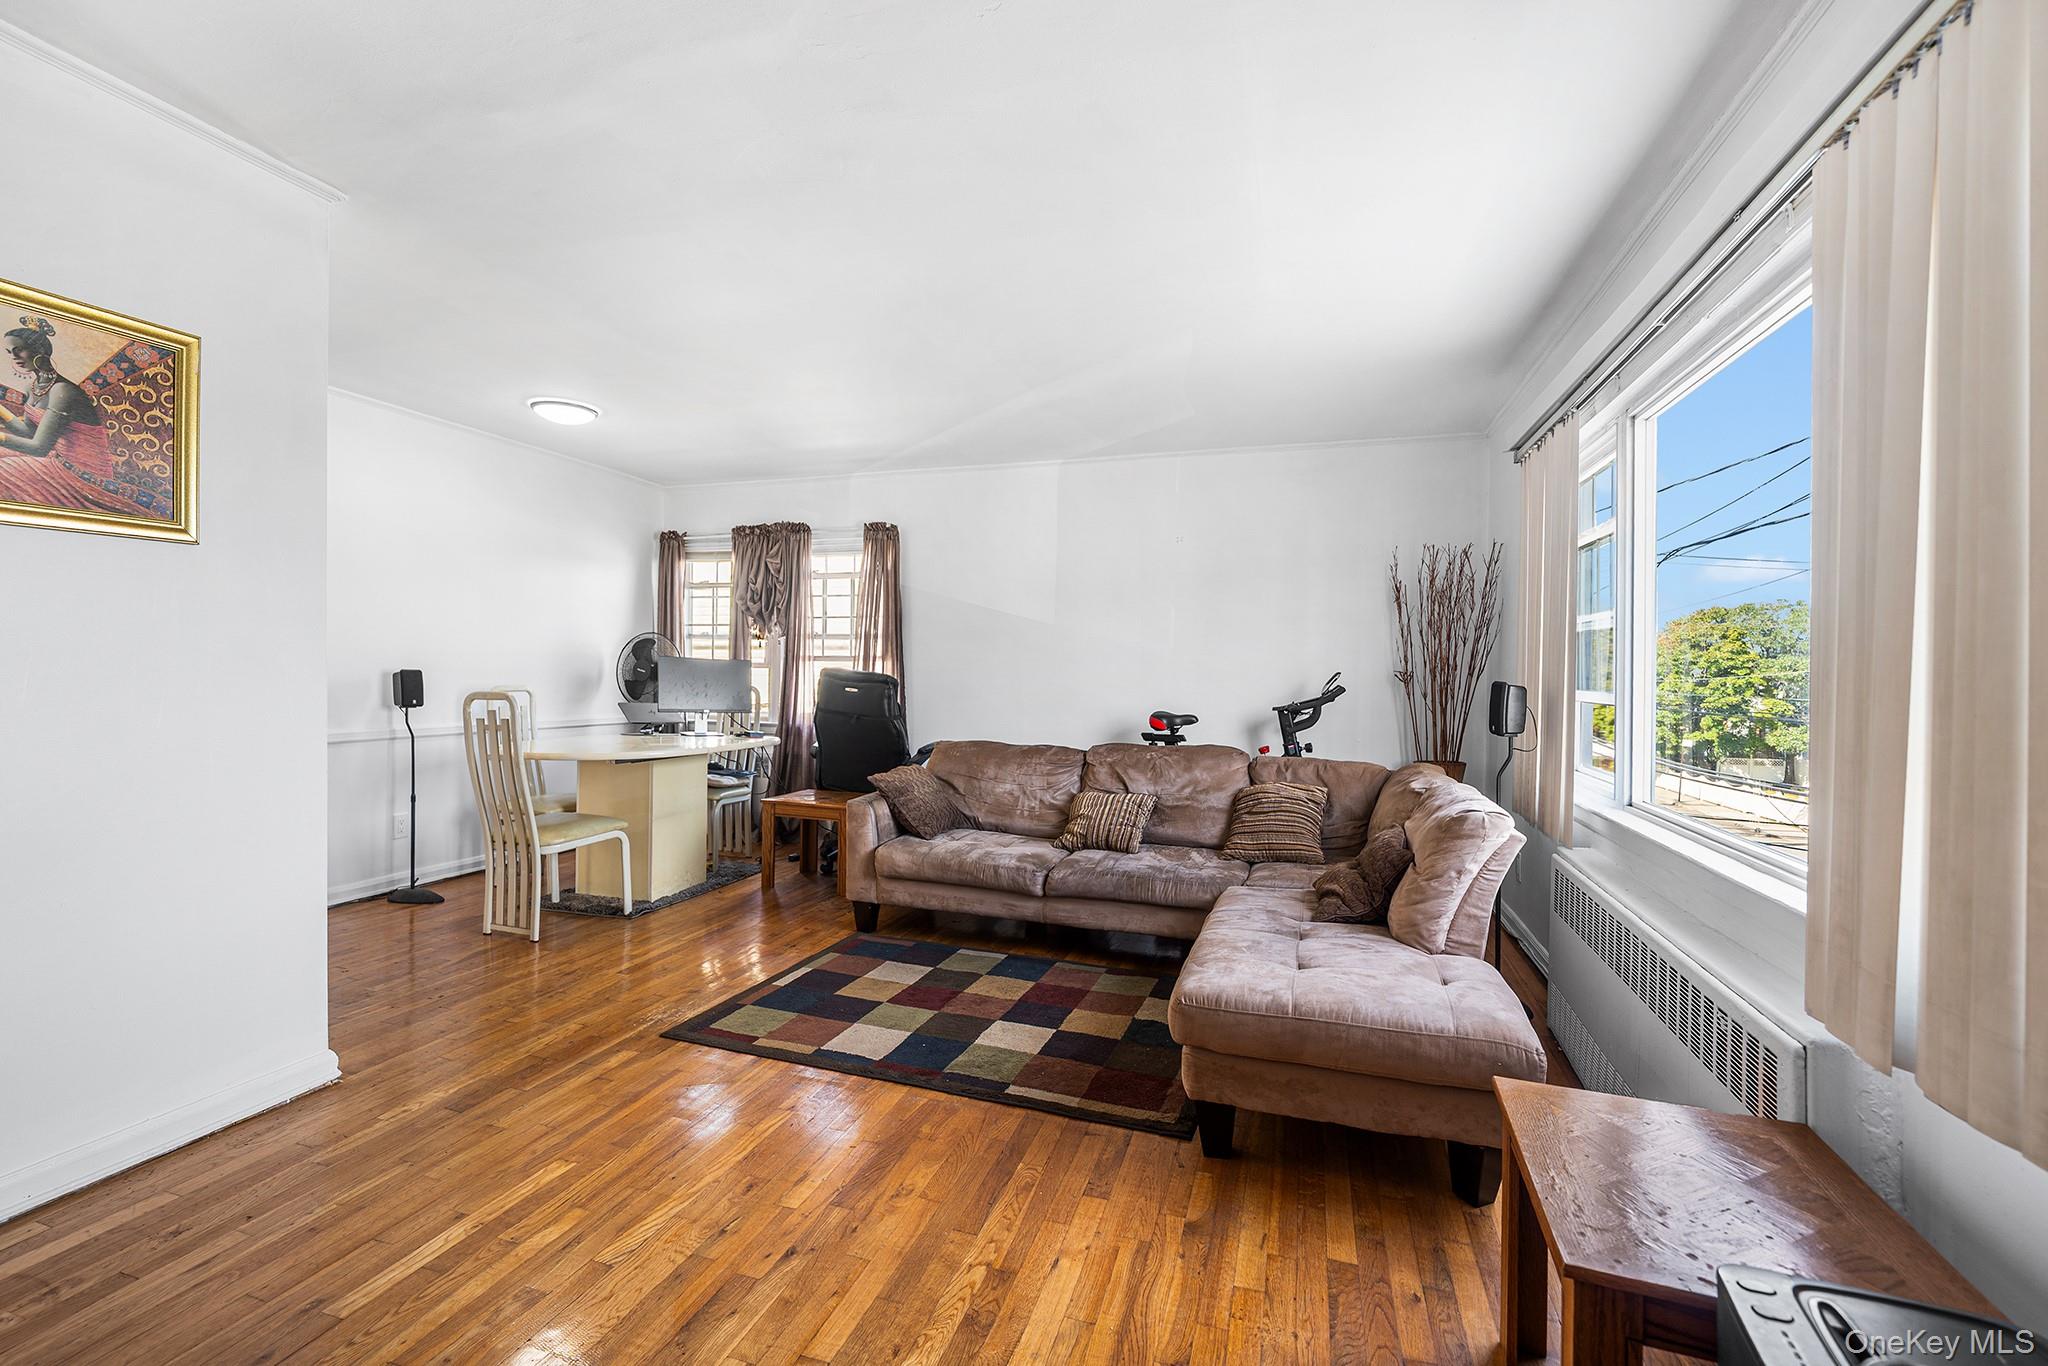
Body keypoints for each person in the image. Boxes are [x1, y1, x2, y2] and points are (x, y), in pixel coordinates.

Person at [0, 316, 159, 518]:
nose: (14, 357)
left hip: (81, 470)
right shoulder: (31, 388)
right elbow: (29, 432)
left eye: (19, 349)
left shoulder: (63, 391)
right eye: (9, 352)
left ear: (40, 350)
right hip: (55, 459)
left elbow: (39, 447)